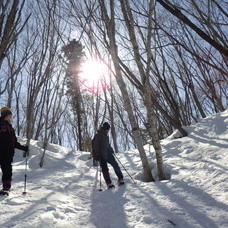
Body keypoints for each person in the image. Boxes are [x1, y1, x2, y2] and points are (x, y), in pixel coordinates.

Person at [0, 107, 28, 193]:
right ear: (5, 115)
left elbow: (14, 143)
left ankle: (6, 188)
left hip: (8, 153)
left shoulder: (11, 128)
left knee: (7, 170)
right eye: (9, 115)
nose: (11, 117)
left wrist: (24, 148)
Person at [92, 122, 124, 189]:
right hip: (101, 155)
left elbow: (107, 145)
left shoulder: (106, 135)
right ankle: (109, 183)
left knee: (115, 165)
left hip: (108, 153)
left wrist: (111, 149)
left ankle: (120, 178)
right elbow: (95, 146)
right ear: (105, 129)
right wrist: (97, 155)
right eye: (108, 129)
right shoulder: (98, 135)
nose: (109, 130)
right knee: (105, 169)